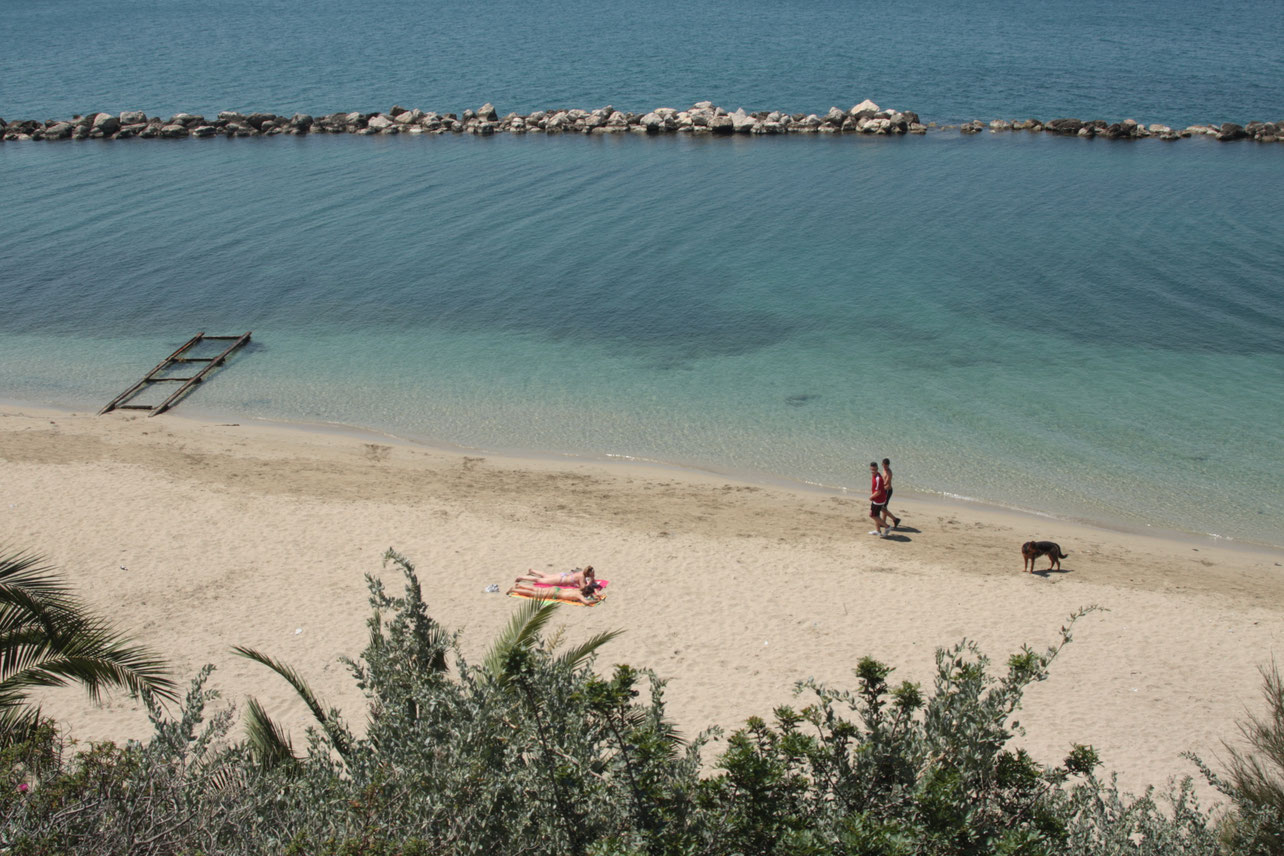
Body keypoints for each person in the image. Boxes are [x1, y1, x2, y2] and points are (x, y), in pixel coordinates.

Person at [509, 578, 603, 605]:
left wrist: (596, 593)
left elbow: (590, 587)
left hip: (556, 589)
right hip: (555, 594)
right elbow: (586, 602)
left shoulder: (579, 589)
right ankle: (514, 589)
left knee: (536, 589)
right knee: (533, 594)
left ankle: (520, 585)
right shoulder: (579, 595)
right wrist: (595, 600)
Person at [518, 565, 595, 589]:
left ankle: (532, 571)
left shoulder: (582, 572)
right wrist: (591, 580)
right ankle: (521, 577)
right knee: (539, 580)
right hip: (560, 580)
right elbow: (583, 588)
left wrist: (591, 579)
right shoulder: (581, 577)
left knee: (546, 575)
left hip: (563, 575)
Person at [868, 461, 891, 538]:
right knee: (876, 515)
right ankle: (878, 531)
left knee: (872, 515)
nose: (873, 471)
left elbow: (878, 491)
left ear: (877, 469)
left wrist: (871, 497)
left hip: (878, 500)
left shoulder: (878, 478)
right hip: (877, 499)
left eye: (874, 470)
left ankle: (887, 527)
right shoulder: (874, 475)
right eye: (871, 470)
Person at [881, 458, 902, 530]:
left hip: (887, 491)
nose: (885, 467)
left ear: (888, 465)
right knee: (884, 507)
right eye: (884, 466)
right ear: (882, 464)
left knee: (882, 507)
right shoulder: (883, 470)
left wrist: (878, 487)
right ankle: (883, 522)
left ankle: (895, 519)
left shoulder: (889, 472)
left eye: (886, 466)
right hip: (883, 490)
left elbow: (886, 482)